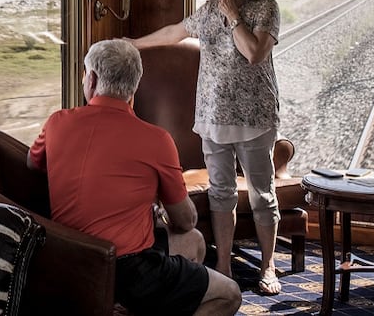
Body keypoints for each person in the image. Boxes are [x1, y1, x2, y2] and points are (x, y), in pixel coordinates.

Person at [27, 39, 241, 316]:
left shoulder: (57, 122)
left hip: (70, 258)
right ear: (134, 87)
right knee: (229, 294)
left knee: (195, 241)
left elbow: (33, 163)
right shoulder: (156, 140)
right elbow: (185, 219)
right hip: (127, 270)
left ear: (91, 79)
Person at [128, 0, 282, 296]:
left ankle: (268, 265)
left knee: (262, 195)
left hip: (254, 120)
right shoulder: (209, 9)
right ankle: (224, 264)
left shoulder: (266, 10)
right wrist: (134, 43)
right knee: (221, 193)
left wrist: (233, 18)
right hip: (212, 118)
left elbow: (254, 53)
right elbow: (175, 33)